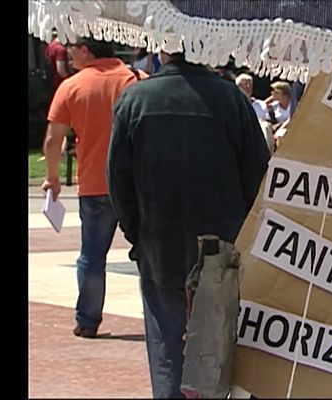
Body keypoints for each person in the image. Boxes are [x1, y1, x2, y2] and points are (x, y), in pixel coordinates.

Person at [108, 50, 270, 398]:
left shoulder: (135, 100)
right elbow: (260, 180)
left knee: (168, 354)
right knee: (218, 358)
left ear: (162, 49)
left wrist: (136, 236)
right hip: (220, 249)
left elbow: (118, 181)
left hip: (159, 246)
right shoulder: (231, 100)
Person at [41, 35, 147, 339]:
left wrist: (53, 178)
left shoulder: (72, 86)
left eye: (72, 49)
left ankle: (87, 320)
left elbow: (53, 139)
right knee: (149, 253)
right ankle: (159, 316)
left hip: (95, 183)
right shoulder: (137, 80)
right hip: (136, 183)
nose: (67, 55)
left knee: (92, 255)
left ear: (86, 51)